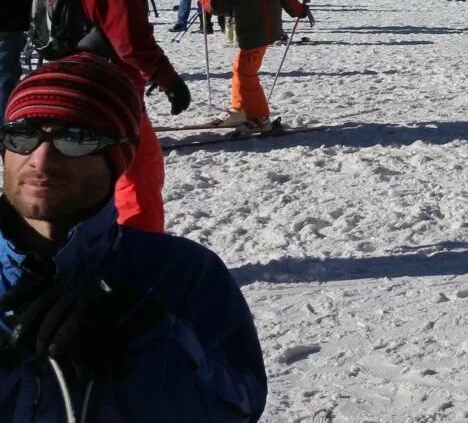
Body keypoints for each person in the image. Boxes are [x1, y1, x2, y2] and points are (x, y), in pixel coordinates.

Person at [0, 56, 268, 419]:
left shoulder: (184, 275)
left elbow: (239, 408)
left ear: (118, 159)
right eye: (23, 134)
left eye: (75, 138)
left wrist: (151, 341)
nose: (41, 159)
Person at [37, 0, 188, 233]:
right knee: (140, 172)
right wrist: (168, 79)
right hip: (113, 86)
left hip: (93, 78)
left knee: (114, 172)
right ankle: (140, 248)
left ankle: (109, 241)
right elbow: (130, 41)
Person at [205, 0, 309, 132]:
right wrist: (299, 11)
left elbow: (219, 7)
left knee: (246, 73)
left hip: (252, 32)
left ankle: (260, 117)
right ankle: (239, 108)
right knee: (241, 68)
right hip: (269, 29)